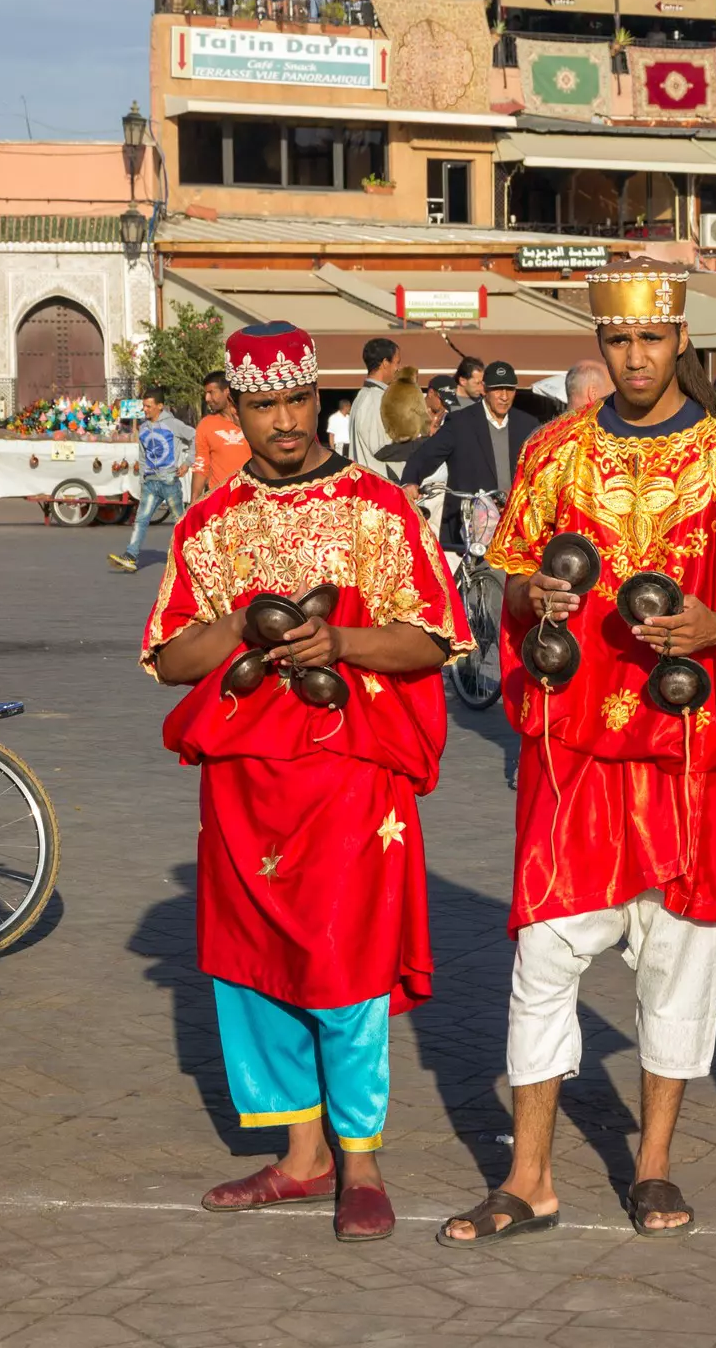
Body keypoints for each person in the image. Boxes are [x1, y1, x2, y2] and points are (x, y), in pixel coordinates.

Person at [440, 259, 716, 1248]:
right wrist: (534, 601)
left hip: (689, 753)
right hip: (579, 758)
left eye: (650, 338)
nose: (634, 357)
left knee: (677, 967)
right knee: (542, 956)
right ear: (598, 343)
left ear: (680, 337)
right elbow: (511, 584)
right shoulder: (553, 449)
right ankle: (530, 1176)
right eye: (617, 340)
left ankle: (652, 1163)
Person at [141, 322, 470, 1241]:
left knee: (347, 964)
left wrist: (342, 643)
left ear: (318, 397)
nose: (284, 422)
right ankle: (300, 1155)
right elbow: (169, 658)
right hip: (244, 786)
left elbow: (435, 638)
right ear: (234, 408)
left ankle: (360, 1162)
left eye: (296, 400)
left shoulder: (378, 505)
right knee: (253, 974)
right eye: (262, 405)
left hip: (351, 775)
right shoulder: (208, 522)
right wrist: (243, 624)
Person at [398, 360, 536, 546]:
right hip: (469, 527)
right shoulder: (460, 422)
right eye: (497, 389)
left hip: (516, 525)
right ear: (485, 390)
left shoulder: (528, 424)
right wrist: (411, 481)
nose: (504, 396)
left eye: (509, 389)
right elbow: (424, 456)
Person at [107, 388, 193, 573]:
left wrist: (187, 463)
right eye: (143, 406)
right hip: (150, 483)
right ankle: (131, 556)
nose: (145, 409)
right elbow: (143, 454)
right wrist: (143, 478)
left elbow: (196, 438)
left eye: (148, 406)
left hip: (169, 481)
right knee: (141, 520)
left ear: (160, 407)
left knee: (179, 521)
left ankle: (189, 558)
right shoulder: (144, 427)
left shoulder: (174, 424)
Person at [190, 370, 248, 501]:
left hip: (250, 499)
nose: (207, 398)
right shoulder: (205, 425)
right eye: (206, 393)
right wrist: (194, 501)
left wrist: (243, 425)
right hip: (219, 501)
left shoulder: (250, 420)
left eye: (211, 392)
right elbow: (201, 465)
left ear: (226, 391)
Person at [347, 338, 400, 474]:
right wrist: (420, 445)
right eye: (396, 362)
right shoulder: (374, 398)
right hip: (378, 487)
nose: (398, 368)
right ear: (385, 363)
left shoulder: (364, 396)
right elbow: (380, 449)